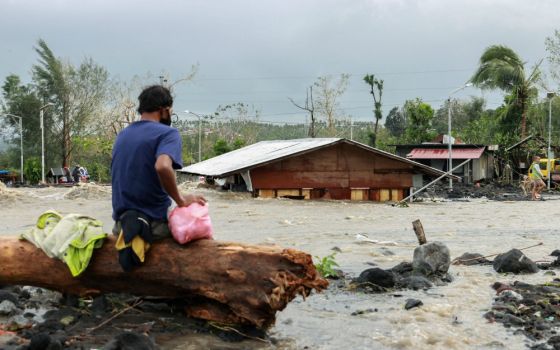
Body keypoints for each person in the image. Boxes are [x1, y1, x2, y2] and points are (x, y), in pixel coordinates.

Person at [111, 85, 206, 240]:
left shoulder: (123, 135)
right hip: (153, 225)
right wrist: (181, 200)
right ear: (164, 110)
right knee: (198, 230)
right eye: (171, 110)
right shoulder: (168, 133)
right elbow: (162, 166)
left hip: (121, 226)